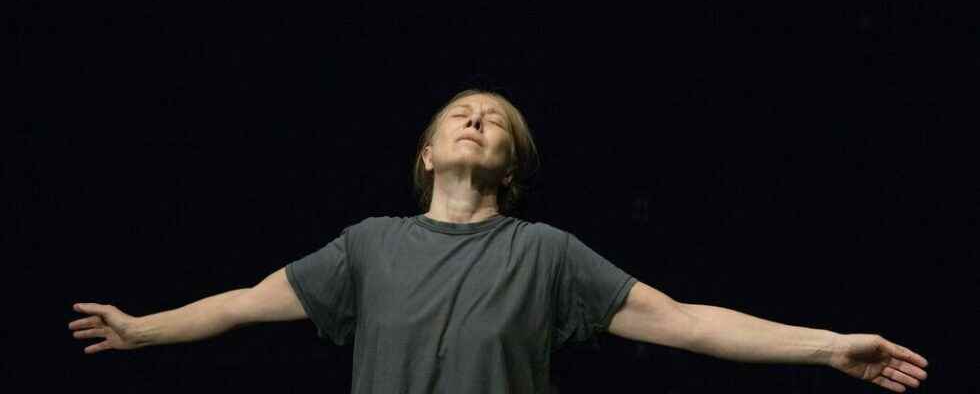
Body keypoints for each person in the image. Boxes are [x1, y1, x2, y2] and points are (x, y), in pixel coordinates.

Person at [69, 89, 929, 393]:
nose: (478, 120)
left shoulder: (547, 253)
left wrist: (825, 347)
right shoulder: (367, 247)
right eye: (460, 114)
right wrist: (142, 329)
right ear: (428, 153)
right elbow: (240, 304)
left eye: (496, 120)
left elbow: (690, 322)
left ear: (510, 162)